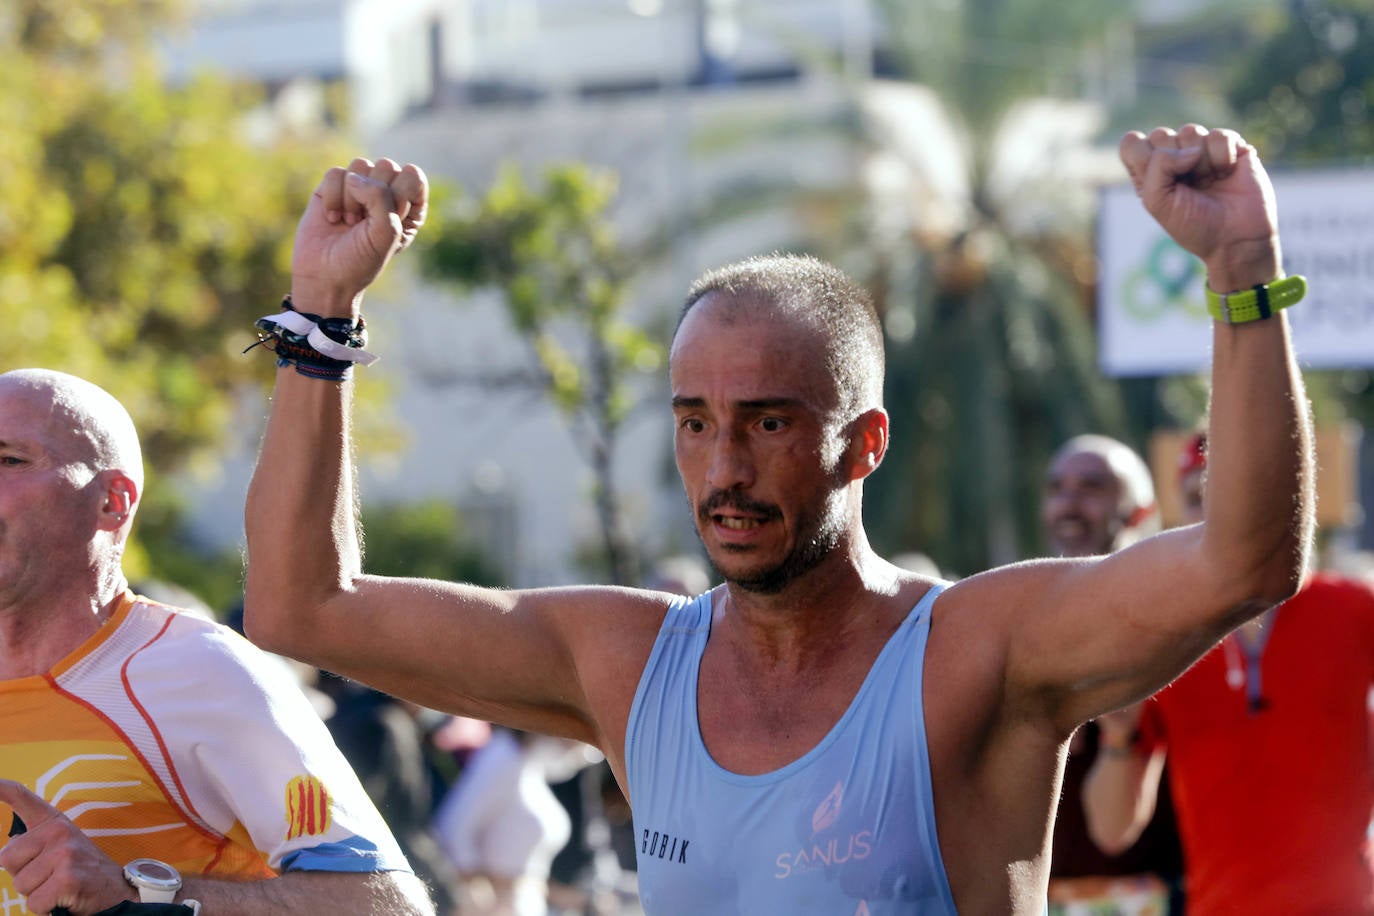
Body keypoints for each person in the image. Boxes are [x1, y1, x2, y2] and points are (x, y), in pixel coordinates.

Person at [242, 125, 1313, 913]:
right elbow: (302, 606)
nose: (725, 468)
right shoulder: (627, 662)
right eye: (696, 422)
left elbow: (1246, 560)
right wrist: (320, 319)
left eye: (766, 423)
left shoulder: (976, 653)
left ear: (865, 444)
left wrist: (1240, 270)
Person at [0, 369, 433, 915]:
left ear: (113, 501)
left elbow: (387, 905)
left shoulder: (201, 670)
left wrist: (140, 895)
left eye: (10, 461)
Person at [1081, 431, 1374, 914]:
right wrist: (1119, 736)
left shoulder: (1353, 608)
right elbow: (1112, 830)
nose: (1219, 518)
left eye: (1235, 495)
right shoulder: (1163, 634)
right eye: (1199, 499)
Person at [1040, 436, 1184, 911]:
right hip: (1043, 895)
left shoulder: (1179, 622)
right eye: (1058, 487)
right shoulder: (1019, 619)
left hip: (1153, 891)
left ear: (1141, 510)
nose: (1070, 501)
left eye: (1093, 486)